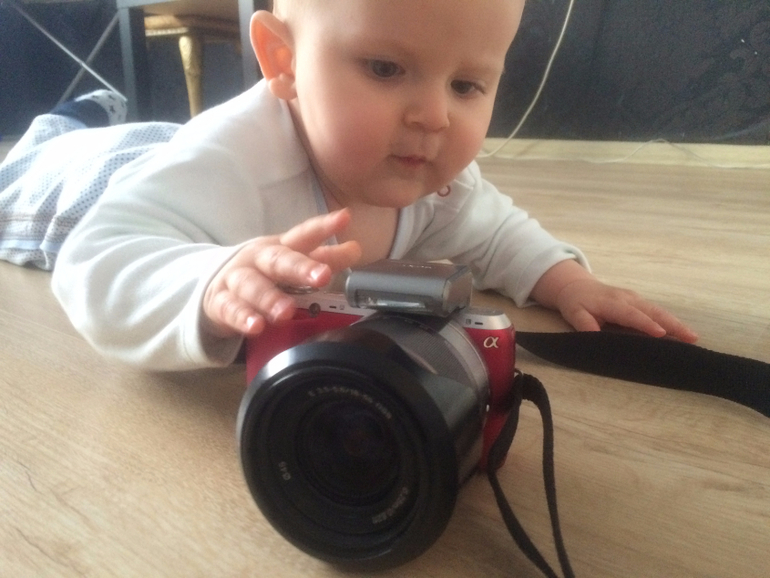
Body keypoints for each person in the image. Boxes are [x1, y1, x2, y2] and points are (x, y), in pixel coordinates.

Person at [0, 0, 697, 371]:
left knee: (145, 140)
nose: (434, 115)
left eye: (466, 84)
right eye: (386, 69)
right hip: (86, 187)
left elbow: (496, 233)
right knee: (39, 166)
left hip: (169, 155)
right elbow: (97, 257)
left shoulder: (433, 180)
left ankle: (87, 113)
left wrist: (567, 281)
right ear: (283, 60)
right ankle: (67, 122)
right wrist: (209, 280)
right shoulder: (234, 161)